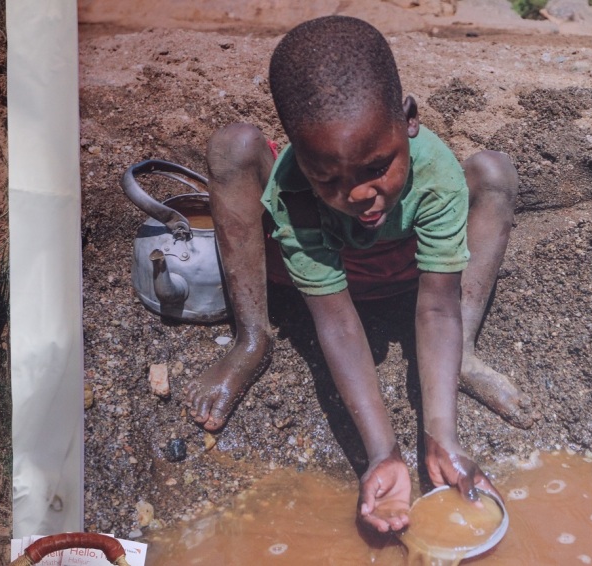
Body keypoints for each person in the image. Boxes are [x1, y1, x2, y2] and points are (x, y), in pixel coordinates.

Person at [183, 15, 538, 533]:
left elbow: (437, 306)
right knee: (232, 146)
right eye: (328, 176)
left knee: (494, 172)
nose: (359, 195)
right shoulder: (297, 190)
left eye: (377, 168)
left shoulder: (434, 173)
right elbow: (338, 322)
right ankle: (252, 338)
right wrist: (382, 453)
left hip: (408, 268)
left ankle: (463, 357)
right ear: (300, 157)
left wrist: (442, 438)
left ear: (409, 119)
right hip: (309, 266)